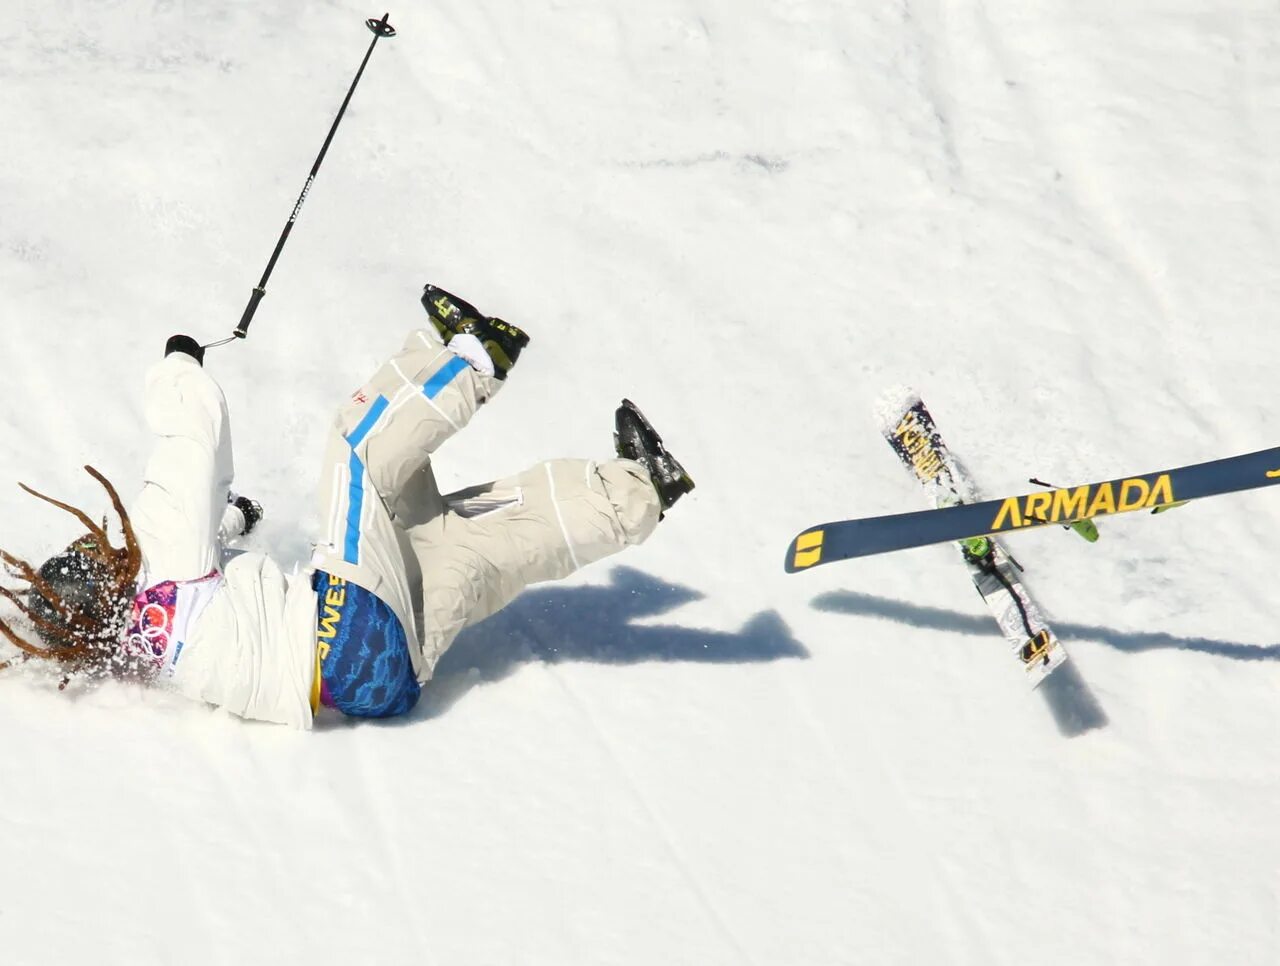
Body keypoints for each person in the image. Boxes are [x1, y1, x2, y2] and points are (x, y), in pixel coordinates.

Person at [0, 284, 694, 727]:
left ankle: (641, 488)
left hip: (376, 684)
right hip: (342, 630)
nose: (101, 544)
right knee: (356, 449)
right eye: (92, 551)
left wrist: (236, 519)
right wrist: (180, 365)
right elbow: (196, 429)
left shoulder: (137, 641)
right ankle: (472, 356)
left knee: (458, 541)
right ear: (108, 576)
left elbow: (214, 594)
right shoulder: (158, 561)